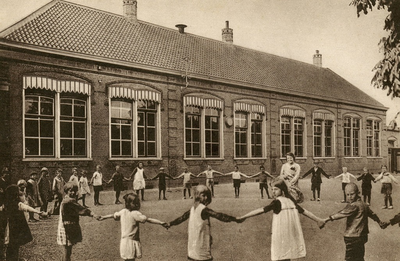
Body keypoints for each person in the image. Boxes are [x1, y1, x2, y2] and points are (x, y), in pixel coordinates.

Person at [165, 185, 240, 261]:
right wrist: (235, 219)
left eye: (207, 196)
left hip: (192, 251)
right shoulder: (203, 209)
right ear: (197, 195)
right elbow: (218, 215)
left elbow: (181, 218)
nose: (206, 198)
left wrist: (170, 224)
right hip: (201, 251)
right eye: (203, 195)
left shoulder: (192, 209)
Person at [321, 183, 384, 261]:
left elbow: (341, 214)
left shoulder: (354, 205)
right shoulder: (364, 204)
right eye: (347, 195)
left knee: (350, 258)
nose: (350, 197)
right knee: (359, 258)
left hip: (352, 236)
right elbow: (372, 214)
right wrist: (379, 222)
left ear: (357, 193)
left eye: (352, 194)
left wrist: (326, 219)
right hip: (362, 236)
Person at [99, 192, 166, 261]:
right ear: (128, 204)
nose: (137, 205)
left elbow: (113, 215)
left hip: (124, 242)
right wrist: (161, 222)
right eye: (135, 203)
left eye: (137, 203)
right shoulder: (135, 213)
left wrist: (103, 217)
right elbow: (148, 219)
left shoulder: (123, 211)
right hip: (131, 242)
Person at [57, 182, 100, 261]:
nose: (73, 192)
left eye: (74, 190)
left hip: (64, 225)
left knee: (67, 250)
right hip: (66, 228)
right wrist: (93, 214)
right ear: (66, 191)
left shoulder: (65, 198)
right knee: (67, 251)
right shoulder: (69, 201)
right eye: (70, 190)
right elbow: (81, 209)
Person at [4, 185, 47, 261]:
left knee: (11, 246)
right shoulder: (16, 204)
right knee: (13, 245)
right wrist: (39, 212)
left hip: (10, 228)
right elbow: (26, 208)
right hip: (12, 229)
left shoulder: (6, 204)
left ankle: (12, 258)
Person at [0, 167, 10, 260]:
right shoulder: (1, 182)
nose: (7, 174)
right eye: (5, 173)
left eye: (7, 173)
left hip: (4, 206)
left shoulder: (6, 182)